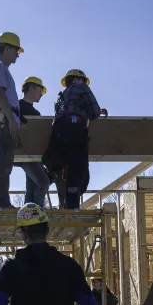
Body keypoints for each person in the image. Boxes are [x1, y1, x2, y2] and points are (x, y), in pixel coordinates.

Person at [44, 69, 108, 209]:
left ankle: (48, 177)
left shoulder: (62, 96)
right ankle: (72, 203)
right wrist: (98, 112)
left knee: (59, 163)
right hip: (74, 127)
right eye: (83, 80)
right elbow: (94, 110)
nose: (84, 83)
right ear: (78, 79)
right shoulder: (81, 87)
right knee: (78, 167)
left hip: (58, 130)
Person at [0, 32, 24, 209]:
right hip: (5, 120)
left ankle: (3, 201)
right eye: (16, 50)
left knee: (6, 162)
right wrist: (11, 121)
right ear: (7, 48)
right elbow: (0, 94)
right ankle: (1, 202)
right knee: (3, 162)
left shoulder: (3, 70)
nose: (18, 54)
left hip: (8, 118)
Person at [17, 77, 52, 207]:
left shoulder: (36, 112)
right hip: (21, 152)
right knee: (43, 183)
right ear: (31, 88)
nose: (41, 95)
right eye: (40, 90)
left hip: (33, 156)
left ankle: (27, 218)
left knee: (31, 189)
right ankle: (35, 213)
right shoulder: (16, 106)